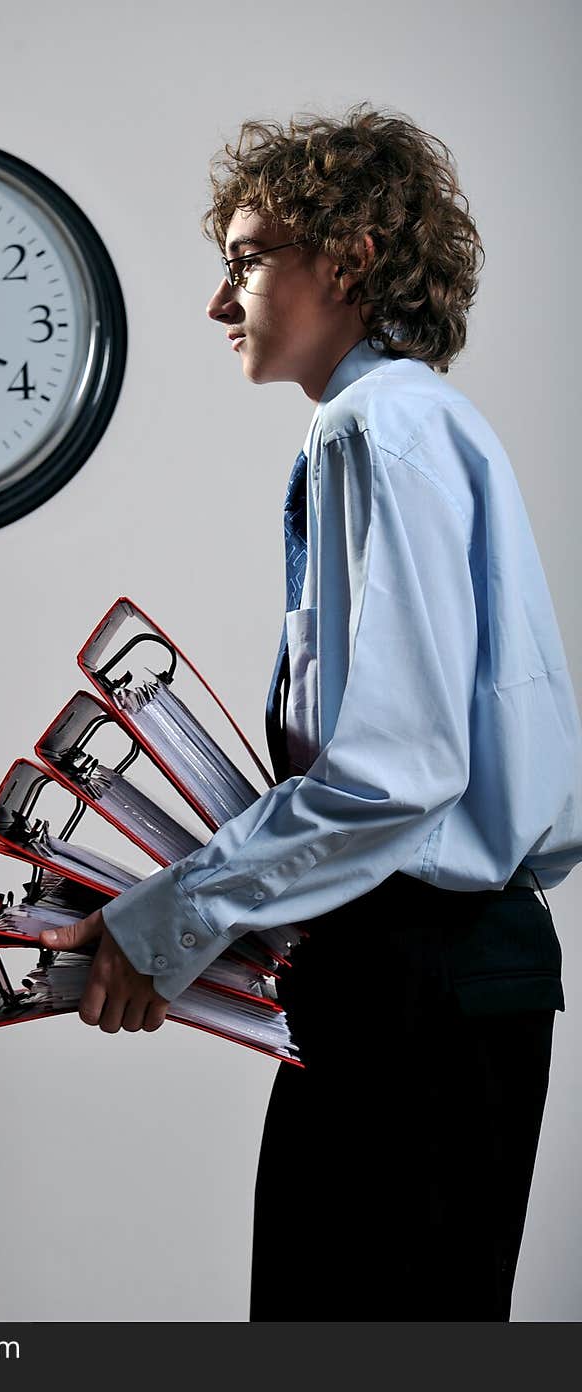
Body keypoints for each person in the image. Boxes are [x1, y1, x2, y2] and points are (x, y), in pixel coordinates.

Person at [39, 102, 582, 1320]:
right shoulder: (421, 426)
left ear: (348, 258)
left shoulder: (372, 431)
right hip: (448, 970)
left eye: (243, 258)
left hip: (418, 980)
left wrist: (163, 920)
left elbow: (393, 773)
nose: (219, 303)